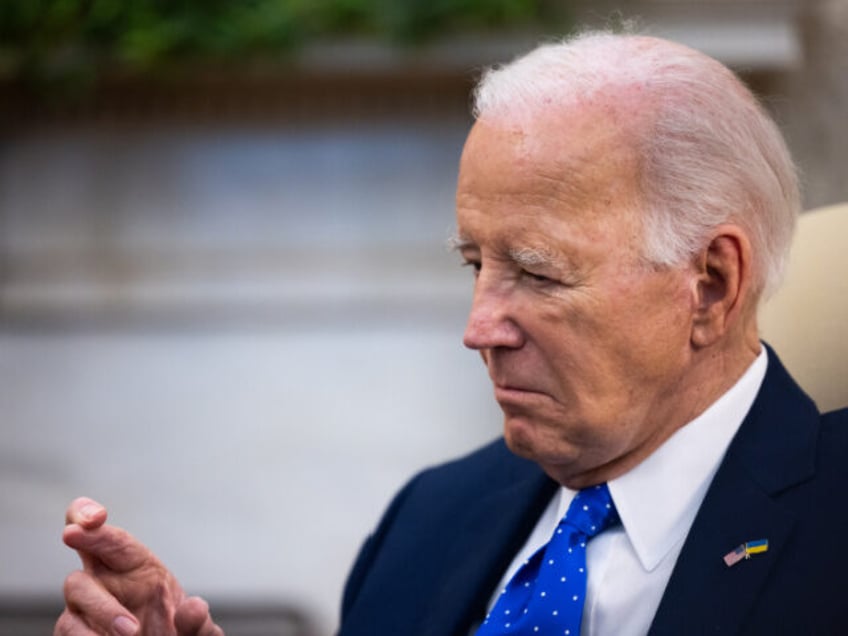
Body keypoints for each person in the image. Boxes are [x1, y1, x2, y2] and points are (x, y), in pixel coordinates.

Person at [54, 30, 848, 636]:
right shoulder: (429, 519)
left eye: (538, 274)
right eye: (475, 264)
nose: (478, 329)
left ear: (710, 283)